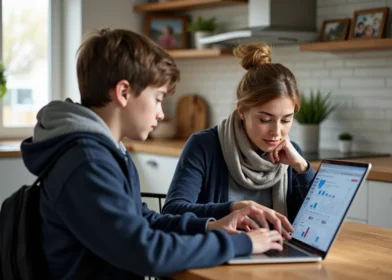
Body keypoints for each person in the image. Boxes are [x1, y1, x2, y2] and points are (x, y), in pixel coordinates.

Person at [20, 29, 284, 279]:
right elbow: (146, 251)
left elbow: (142, 220)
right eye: (157, 98)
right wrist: (240, 243)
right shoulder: (87, 162)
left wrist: (210, 226)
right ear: (123, 92)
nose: (161, 113)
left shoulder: (105, 151)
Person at [162, 43, 316, 238]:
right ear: (242, 110)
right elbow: (172, 211)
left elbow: (316, 222)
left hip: (277, 254)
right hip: (218, 254)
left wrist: (302, 168)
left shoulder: (291, 154)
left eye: (286, 120)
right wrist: (236, 208)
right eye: (265, 120)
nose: (276, 132)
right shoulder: (204, 146)